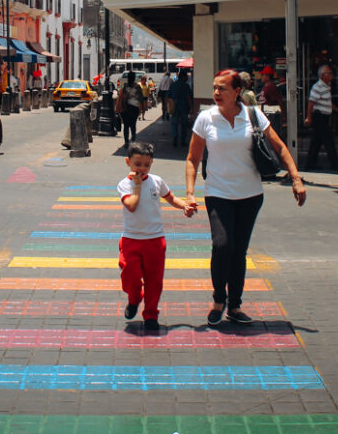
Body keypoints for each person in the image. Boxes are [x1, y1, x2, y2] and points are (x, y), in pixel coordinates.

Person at [185, 69, 305, 327]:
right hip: (217, 194)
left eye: (222, 88)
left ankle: (235, 305)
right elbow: (193, 159)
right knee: (222, 245)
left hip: (250, 195)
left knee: (238, 251)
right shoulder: (206, 119)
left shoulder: (253, 115)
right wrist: (190, 193)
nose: (216, 93)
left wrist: (296, 178)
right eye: (215, 88)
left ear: (237, 91)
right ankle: (219, 300)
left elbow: (279, 146)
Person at [118, 140, 197, 332]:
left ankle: (151, 314)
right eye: (137, 164)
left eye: (146, 165)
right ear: (128, 162)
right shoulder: (124, 185)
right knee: (130, 276)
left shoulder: (156, 181)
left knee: (155, 280)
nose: (142, 169)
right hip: (131, 239)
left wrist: (184, 206)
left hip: (155, 240)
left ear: (151, 163)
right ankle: (135, 298)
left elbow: (170, 197)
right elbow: (131, 205)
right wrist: (137, 186)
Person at [304, 64, 338, 170]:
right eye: (330, 73)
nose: (332, 75)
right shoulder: (317, 87)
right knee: (328, 140)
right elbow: (311, 103)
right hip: (319, 116)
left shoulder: (327, 86)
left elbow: (328, 102)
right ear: (323, 75)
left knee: (316, 141)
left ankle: (310, 163)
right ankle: (335, 163)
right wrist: (309, 118)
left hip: (325, 116)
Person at [117, 71, 142, 145]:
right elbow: (141, 98)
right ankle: (133, 137)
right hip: (134, 108)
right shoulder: (137, 87)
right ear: (134, 78)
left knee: (126, 125)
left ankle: (126, 141)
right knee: (133, 124)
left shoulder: (125, 86)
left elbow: (120, 95)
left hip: (125, 107)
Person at [169, 68, 193, 147]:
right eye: (186, 77)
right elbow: (189, 98)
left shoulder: (173, 85)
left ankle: (175, 136)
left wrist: (168, 107)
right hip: (184, 107)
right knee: (184, 124)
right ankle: (183, 140)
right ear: (183, 77)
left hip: (174, 106)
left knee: (174, 123)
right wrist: (191, 108)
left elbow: (168, 97)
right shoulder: (186, 86)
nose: (187, 78)